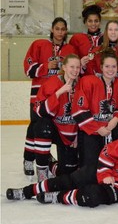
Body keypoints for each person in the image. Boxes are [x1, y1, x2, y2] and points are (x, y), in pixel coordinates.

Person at [6, 116, 118, 208]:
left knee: (91, 196)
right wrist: (105, 173)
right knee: (72, 179)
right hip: (107, 172)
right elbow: (107, 152)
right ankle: (27, 191)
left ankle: (57, 197)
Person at [23, 17, 77, 177]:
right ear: (52, 30)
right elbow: (28, 69)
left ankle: (46, 159)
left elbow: (76, 69)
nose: (60, 32)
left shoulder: (70, 49)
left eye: (63, 29)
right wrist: (45, 67)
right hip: (39, 97)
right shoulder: (39, 45)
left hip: (60, 98)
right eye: (57, 29)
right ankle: (28, 159)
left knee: (51, 129)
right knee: (35, 127)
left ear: (66, 31)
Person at [72, 49, 118, 170]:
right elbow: (78, 111)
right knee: (90, 169)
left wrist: (115, 119)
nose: (110, 69)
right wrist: (97, 129)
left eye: (113, 66)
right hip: (91, 131)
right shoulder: (88, 82)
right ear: (101, 67)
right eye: (107, 66)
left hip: (110, 129)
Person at [33, 54, 81, 182]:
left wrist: (77, 135)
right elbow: (40, 111)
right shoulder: (52, 83)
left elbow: (86, 113)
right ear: (64, 67)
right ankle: (42, 169)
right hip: (56, 131)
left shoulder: (82, 85)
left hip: (72, 135)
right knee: (43, 125)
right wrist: (59, 92)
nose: (75, 70)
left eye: (78, 67)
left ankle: (49, 162)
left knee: (66, 174)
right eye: (72, 66)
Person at [69, 5, 103, 70]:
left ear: (100, 22)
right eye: (90, 21)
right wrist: (80, 63)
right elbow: (72, 60)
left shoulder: (106, 37)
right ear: (85, 22)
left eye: (96, 21)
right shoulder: (77, 38)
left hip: (104, 76)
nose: (93, 24)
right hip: (85, 77)